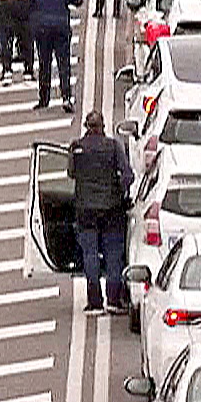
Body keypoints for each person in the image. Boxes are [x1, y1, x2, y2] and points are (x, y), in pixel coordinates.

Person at [68, 111, 134, 315]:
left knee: (90, 254)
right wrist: (121, 192)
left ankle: (94, 301)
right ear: (103, 126)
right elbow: (128, 175)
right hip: (112, 208)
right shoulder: (113, 146)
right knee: (113, 253)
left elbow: (71, 173)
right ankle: (114, 299)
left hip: (85, 209)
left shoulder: (76, 147)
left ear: (87, 127)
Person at [28, 0, 82, 112]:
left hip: (42, 28)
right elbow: (78, 0)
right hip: (61, 26)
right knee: (63, 62)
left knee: (44, 63)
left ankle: (43, 98)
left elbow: (29, 3)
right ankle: (66, 96)